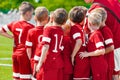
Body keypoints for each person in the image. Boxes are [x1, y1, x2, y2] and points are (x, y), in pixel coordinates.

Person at [84, 0, 120, 79]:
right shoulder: (113, 1)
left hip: (113, 44)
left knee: (113, 74)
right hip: (116, 41)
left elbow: (87, 29)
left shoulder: (95, 8)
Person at [0, 1, 34, 80]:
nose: (32, 16)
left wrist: (11, 36)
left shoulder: (13, 24)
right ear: (28, 13)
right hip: (24, 55)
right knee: (25, 78)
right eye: (32, 13)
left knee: (16, 77)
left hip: (15, 54)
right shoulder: (30, 27)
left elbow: (1, 31)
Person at [35, 8, 68, 80]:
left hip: (49, 62)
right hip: (58, 62)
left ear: (52, 18)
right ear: (64, 22)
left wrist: (40, 63)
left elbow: (46, 46)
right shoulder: (62, 31)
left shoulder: (49, 29)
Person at [80, 12, 108, 80]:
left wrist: (87, 54)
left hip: (99, 65)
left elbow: (101, 50)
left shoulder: (96, 34)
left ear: (89, 23)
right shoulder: (93, 34)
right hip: (96, 65)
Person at [91, 8, 115, 80]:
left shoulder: (105, 30)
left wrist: (100, 52)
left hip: (107, 62)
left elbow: (111, 47)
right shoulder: (100, 30)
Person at [25, 7, 49, 79]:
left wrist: (30, 59)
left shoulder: (31, 31)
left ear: (35, 18)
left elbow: (28, 49)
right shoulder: (49, 30)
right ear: (47, 18)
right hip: (47, 59)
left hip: (35, 60)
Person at [69, 6, 90, 80]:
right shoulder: (81, 28)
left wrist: (72, 55)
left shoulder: (75, 28)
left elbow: (79, 41)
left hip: (80, 58)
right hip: (84, 57)